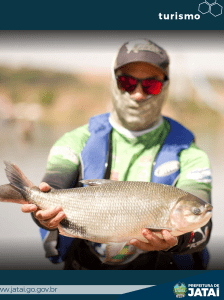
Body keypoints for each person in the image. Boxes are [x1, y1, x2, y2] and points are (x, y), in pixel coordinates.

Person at [21, 39, 212, 270]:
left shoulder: (190, 153)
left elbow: (202, 228)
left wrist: (175, 240)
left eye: (151, 84)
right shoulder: (75, 141)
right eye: (128, 82)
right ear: (114, 82)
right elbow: (51, 188)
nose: (138, 94)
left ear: (165, 86)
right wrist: (41, 210)